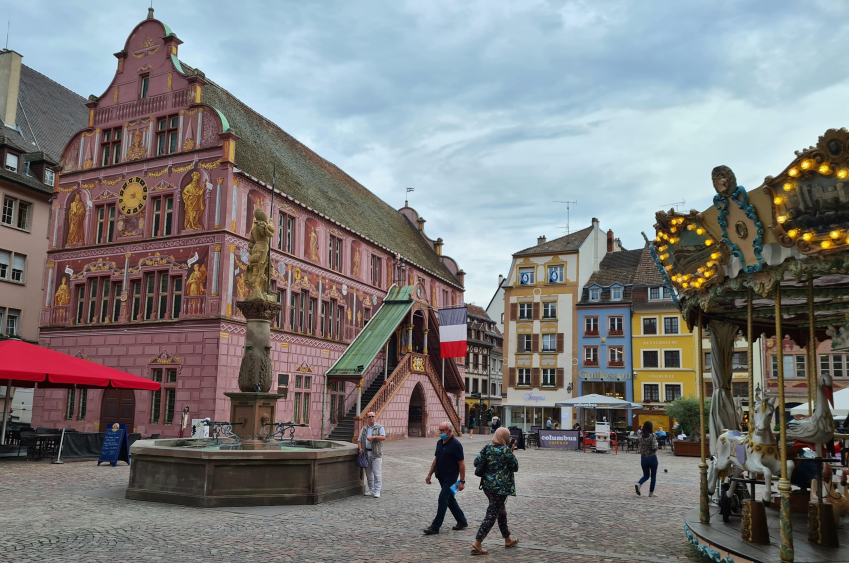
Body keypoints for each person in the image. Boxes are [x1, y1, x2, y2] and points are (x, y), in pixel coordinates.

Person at [471, 428, 520, 555]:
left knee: (501, 511)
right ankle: (477, 542)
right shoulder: (505, 451)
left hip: (487, 486)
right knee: (492, 514)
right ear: (505, 438)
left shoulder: (487, 448)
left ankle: (508, 539)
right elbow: (515, 467)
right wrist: (511, 452)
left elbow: (476, 462)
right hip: (500, 489)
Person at [424, 422, 468, 535]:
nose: (440, 433)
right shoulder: (440, 443)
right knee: (450, 499)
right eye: (439, 430)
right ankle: (462, 521)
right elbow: (436, 460)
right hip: (441, 477)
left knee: (443, 498)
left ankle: (435, 526)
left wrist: (462, 481)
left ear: (449, 431)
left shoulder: (456, 445)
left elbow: (462, 464)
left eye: (442, 430)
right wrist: (429, 474)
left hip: (451, 478)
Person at [357, 411, 386, 498]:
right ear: (367, 418)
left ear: (375, 417)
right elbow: (359, 440)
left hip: (376, 453)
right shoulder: (364, 429)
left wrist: (373, 437)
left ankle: (377, 491)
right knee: (368, 473)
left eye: (372, 416)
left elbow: (383, 437)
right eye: (369, 417)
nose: (371, 418)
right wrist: (360, 448)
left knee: (377, 473)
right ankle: (371, 489)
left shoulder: (379, 427)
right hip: (366, 453)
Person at [635, 421, 659, 497]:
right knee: (653, 476)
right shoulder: (652, 436)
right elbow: (654, 448)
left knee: (646, 475)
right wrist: (657, 444)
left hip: (643, 458)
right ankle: (651, 493)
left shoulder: (641, 436)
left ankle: (639, 484)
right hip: (652, 457)